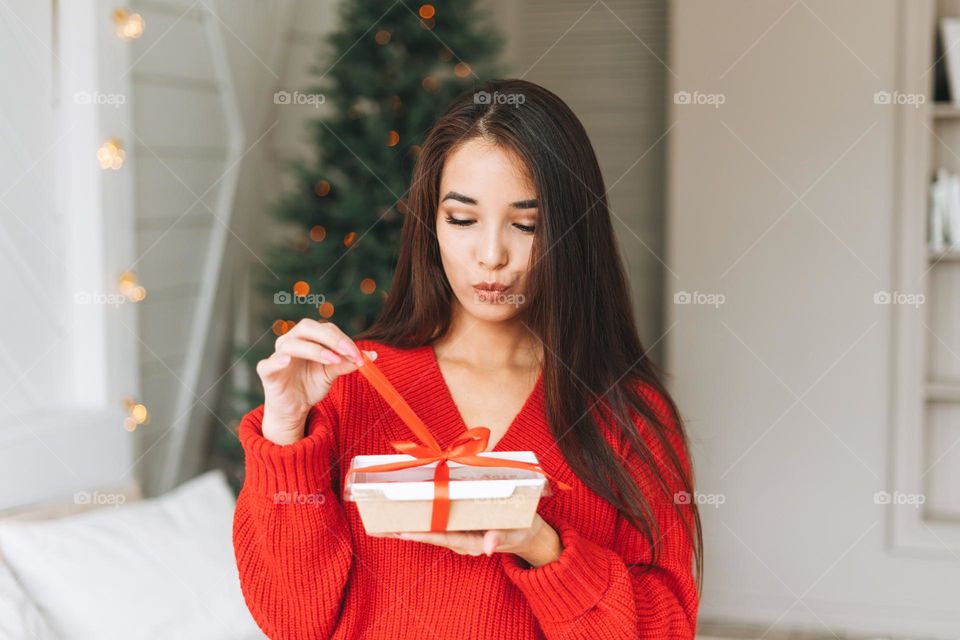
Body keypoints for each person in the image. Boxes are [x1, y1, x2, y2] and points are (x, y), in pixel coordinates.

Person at [232, 78, 702, 639]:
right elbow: (292, 622)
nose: (491, 256)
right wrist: (286, 433)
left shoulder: (628, 414)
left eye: (526, 225)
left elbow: (666, 629)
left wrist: (543, 546)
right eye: (462, 219)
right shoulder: (353, 384)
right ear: (431, 225)